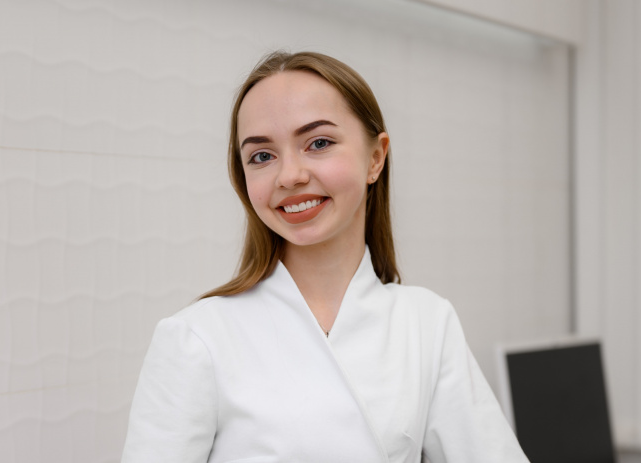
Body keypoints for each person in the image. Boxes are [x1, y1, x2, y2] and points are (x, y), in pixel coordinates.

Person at [121, 51, 529, 463]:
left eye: (318, 143)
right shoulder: (196, 338)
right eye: (262, 156)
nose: (289, 176)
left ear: (375, 158)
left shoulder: (426, 323)